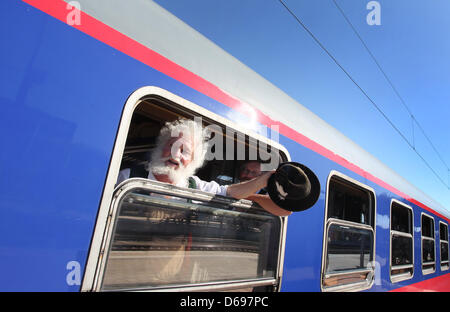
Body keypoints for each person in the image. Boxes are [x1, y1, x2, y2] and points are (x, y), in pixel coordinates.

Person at [118, 118, 292, 217]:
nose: (175, 154)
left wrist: (262, 181)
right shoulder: (128, 177)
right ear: (161, 147)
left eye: (184, 151)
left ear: (193, 161)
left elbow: (229, 192)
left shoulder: (194, 186)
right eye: (171, 145)